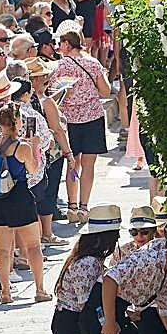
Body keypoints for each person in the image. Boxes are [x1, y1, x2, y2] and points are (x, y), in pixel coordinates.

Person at [53, 204, 122, 334]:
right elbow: (87, 307)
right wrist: (109, 323)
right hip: (72, 323)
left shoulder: (95, 260)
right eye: (115, 235)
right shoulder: (87, 263)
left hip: (76, 321)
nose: (117, 239)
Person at [0, 101, 48, 304]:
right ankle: (39, 289)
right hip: (19, 195)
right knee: (33, 246)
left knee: (2, 248)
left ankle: (5, 293)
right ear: (17, 121)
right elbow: (33, 169)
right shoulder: (23, 147)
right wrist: (36, 146)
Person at [53, 25, 110, 223]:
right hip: (93, 118)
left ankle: (72, 206)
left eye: (60, 43)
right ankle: (84, 207)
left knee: (72, 163)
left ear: (67, 44)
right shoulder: (93, 63)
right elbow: (105, 91)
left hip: (69, 120)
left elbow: (53, 95)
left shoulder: (59, 67)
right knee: (88, 165)